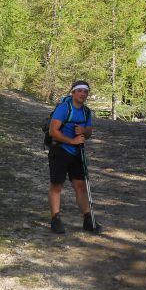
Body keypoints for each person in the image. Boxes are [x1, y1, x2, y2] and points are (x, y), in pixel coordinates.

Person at [47, 80, 101, 234]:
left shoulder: (86, 112)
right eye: (80, 91)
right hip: (60, 151)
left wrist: (83, 130)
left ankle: (88, 219)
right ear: (73, 93)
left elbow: (89, 132)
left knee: (80, 186)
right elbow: (53, 131)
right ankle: (55, 219)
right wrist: (72, 140)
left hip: (77, 152)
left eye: (86, 92)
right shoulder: (64, 108)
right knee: (57, 185)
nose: (83, 94)